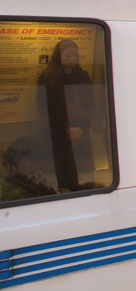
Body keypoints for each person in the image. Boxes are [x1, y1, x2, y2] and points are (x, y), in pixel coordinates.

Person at [37, 39, 94, 191]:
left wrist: (83, 126)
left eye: (75, 54)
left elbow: (91, 103)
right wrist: (67, 128)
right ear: (58, 56)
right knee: (65, 169)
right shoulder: (48, 78)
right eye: (68, 54)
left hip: (82, 129)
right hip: (60, 131)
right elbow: (44, 108)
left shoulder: (83, 76)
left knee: (84, 168)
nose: (72, 58)